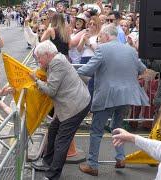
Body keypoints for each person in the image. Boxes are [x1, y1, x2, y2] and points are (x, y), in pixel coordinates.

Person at [77, 24, 149, 176]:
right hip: (126, 96)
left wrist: (70, 70)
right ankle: (120, 158)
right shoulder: (130, 50)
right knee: (118, 128)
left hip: (107, 96)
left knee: (96, 132)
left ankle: (92, 165)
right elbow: (143, 69)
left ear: (107, 35)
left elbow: (88, 70)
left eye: (101, 37)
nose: (100, 39)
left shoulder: (102, 49)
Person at [29, 40, 91, 180]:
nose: (38, 60)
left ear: (47, 54)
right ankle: (47, 162)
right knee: (52, 131)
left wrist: (36, 80)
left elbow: (51, 90)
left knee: (62, 141)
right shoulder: (55, 60)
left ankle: (52, 175)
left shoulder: (57, 62)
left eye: (39, 57)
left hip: (75, 106)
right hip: (69, 104)